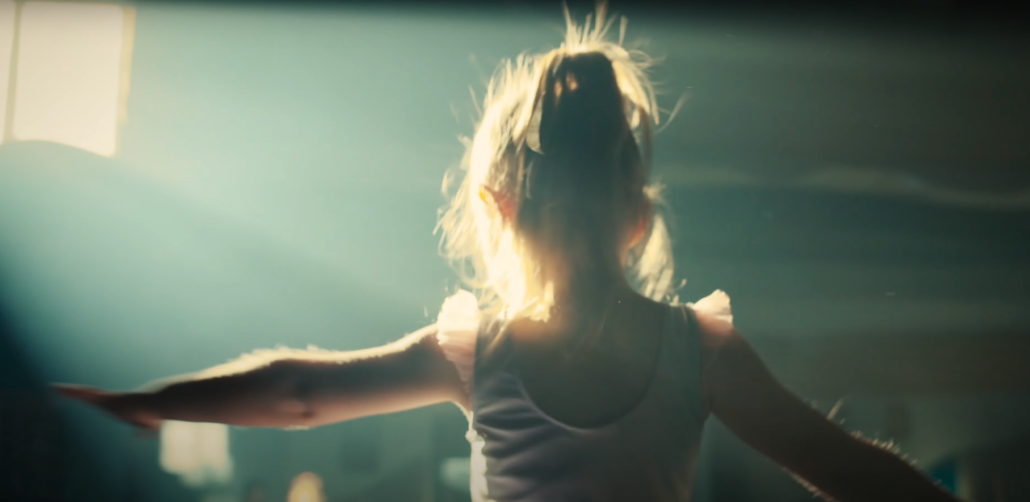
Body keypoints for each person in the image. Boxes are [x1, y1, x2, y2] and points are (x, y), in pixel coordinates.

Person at [55, 5, 962, 502]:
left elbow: (299, 393)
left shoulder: (479, 353)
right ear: (638, 213)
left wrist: (155, 402)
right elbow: (845, 466)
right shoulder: (698, 352)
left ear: (498, 209)